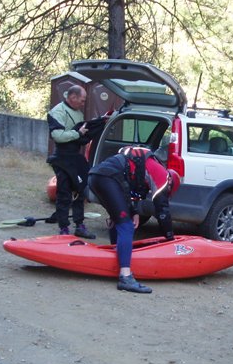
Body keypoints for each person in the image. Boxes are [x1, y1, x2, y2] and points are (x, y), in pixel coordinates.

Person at [88, 146, 181, 293]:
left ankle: (116, 257)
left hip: (95, 177)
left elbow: (128, 189)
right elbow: (162, 210)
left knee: (117, 219)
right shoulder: (163, 175)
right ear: (170, 182)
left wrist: (134, 212)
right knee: (126, 226)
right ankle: (125, 277)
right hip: (108, 178)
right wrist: (170, 238)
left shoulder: (145, 166)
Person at [47, 85, 106, 239]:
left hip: (75, 157)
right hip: (62, 158)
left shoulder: (78, 113)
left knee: (81, 191)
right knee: (64, 193)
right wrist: (77, 133)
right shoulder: (57, 112)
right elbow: (57, 135)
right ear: (73, 97)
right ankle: (64, 229)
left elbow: (80, 136)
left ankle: (79, 226)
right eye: (82, 100)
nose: (83, 103)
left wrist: (97, 125)